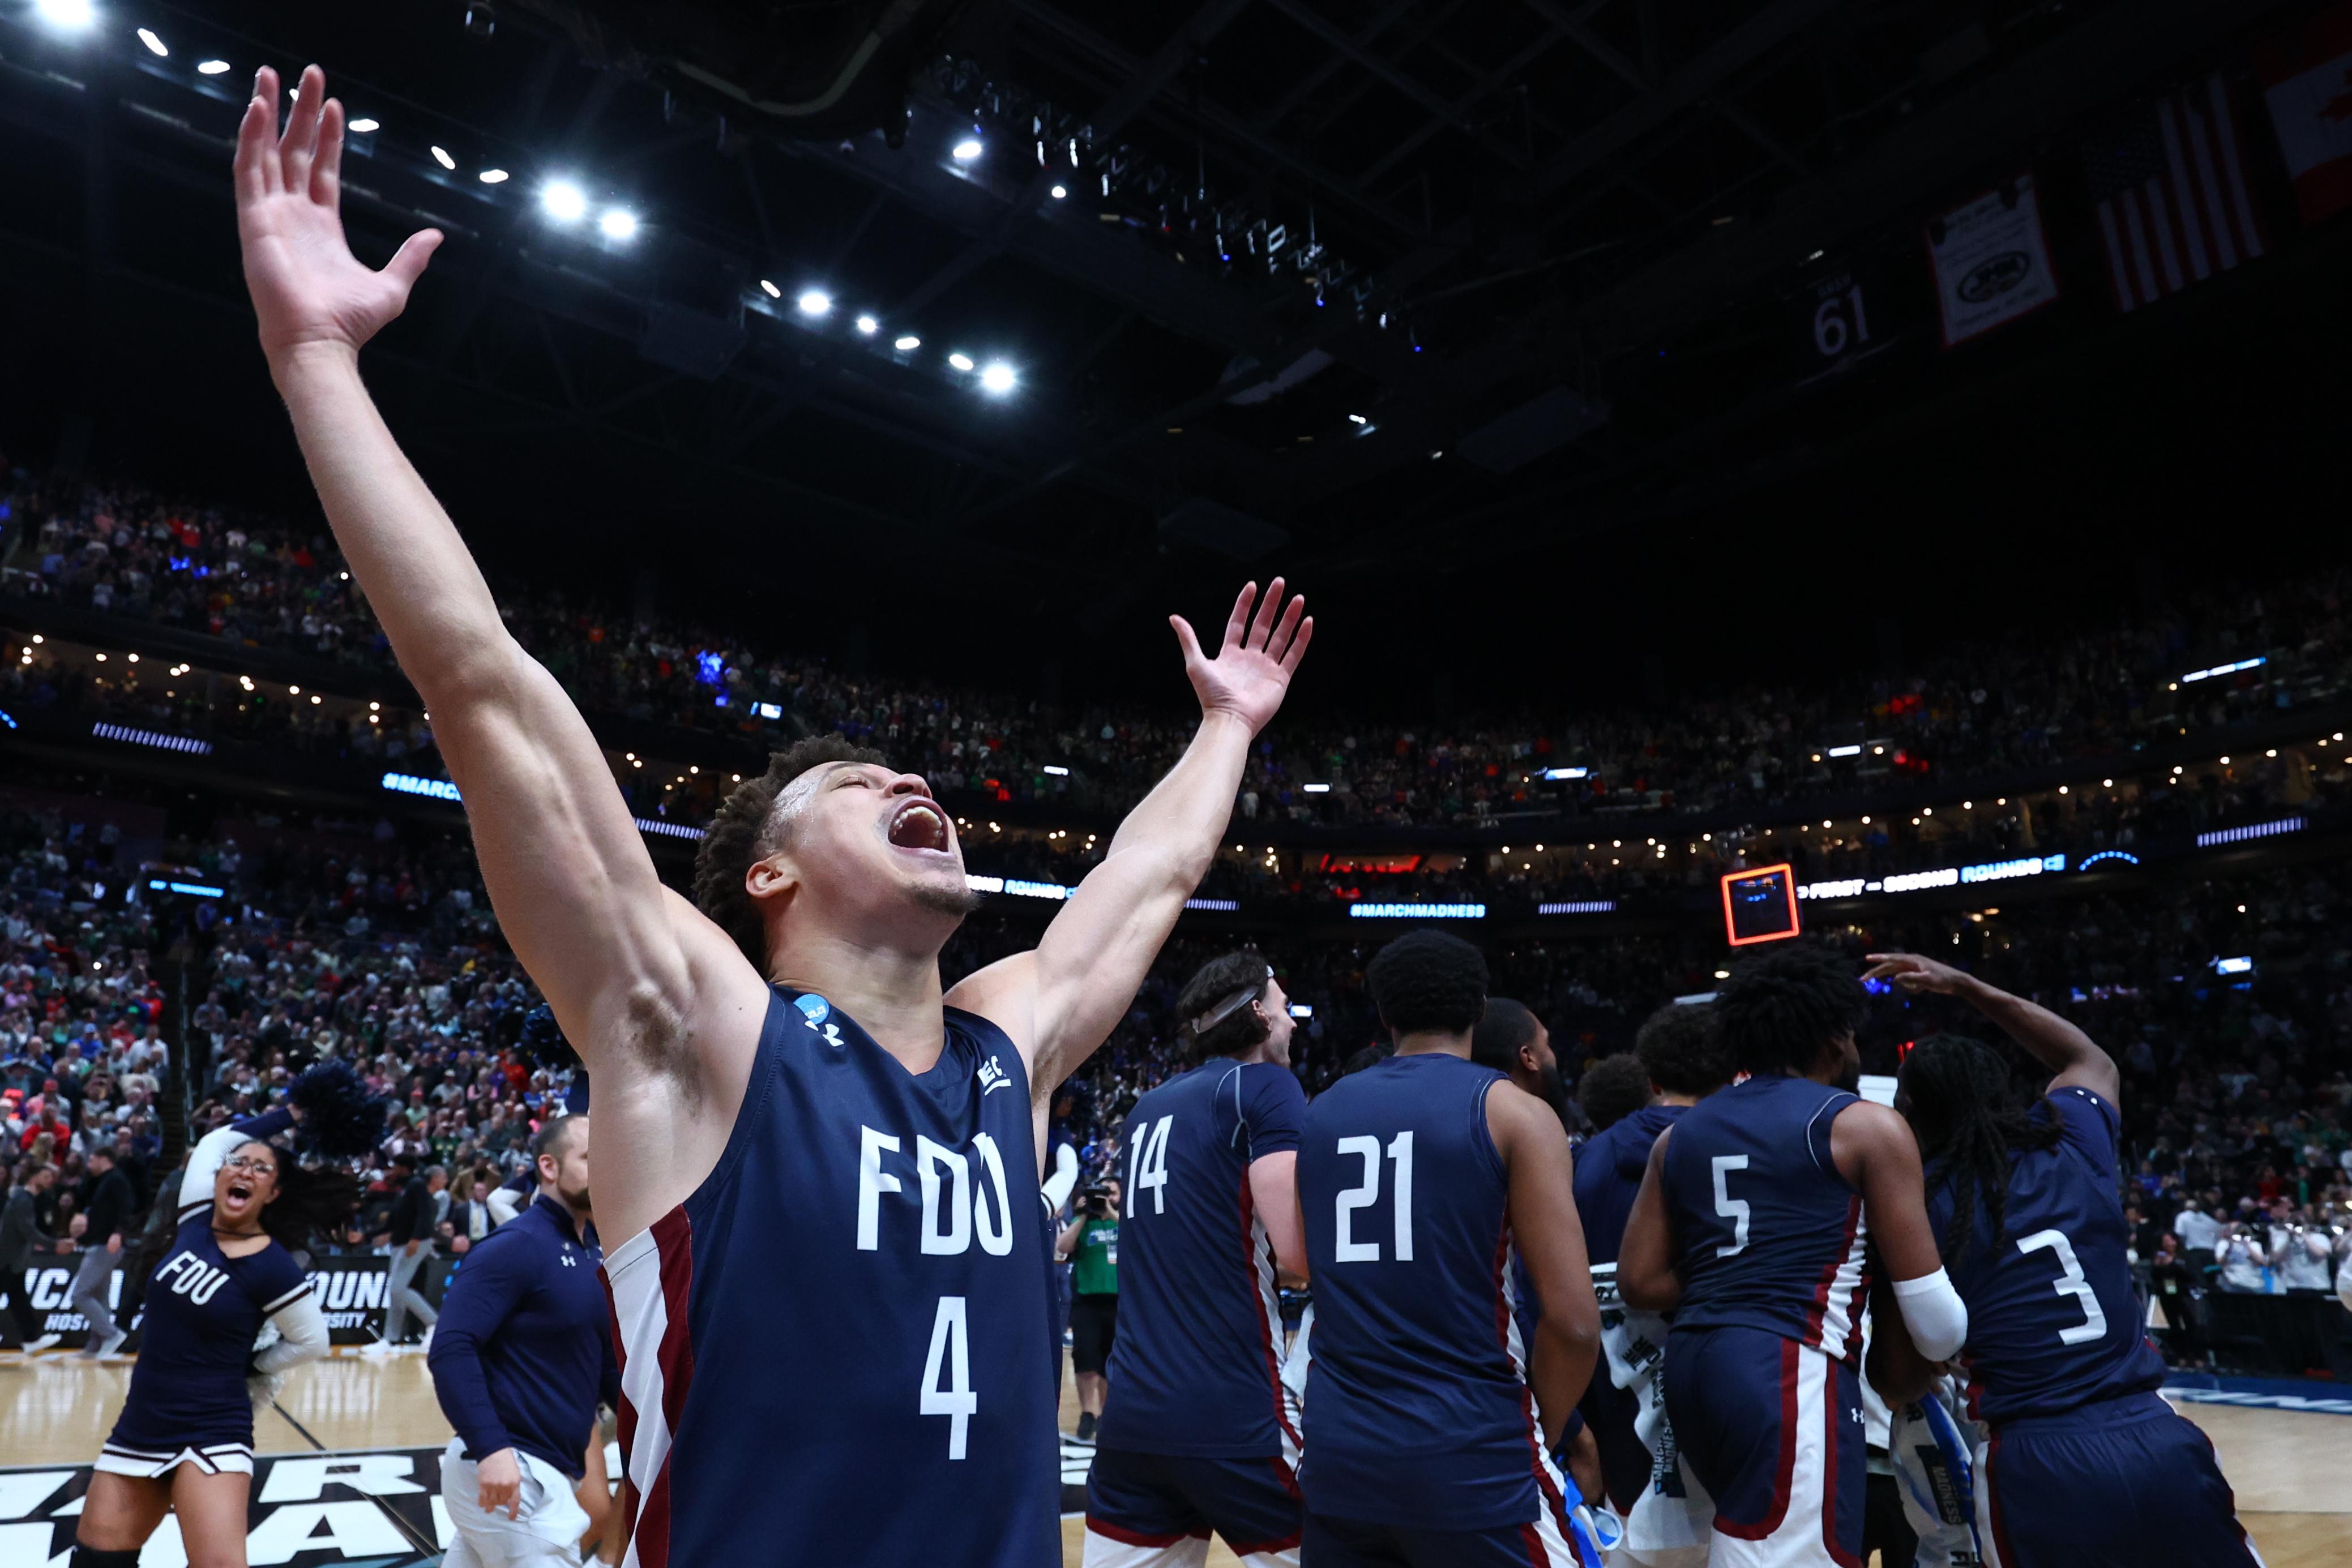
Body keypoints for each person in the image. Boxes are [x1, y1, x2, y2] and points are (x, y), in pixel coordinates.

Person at [232, 65, 1311, 1567]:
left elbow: (1155, 868)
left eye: (910, 778)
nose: (910, 784)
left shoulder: (1010, 1046)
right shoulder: (701, 1033)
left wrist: (1226, 727)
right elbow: (483, 686)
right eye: (857, 787)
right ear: (768, 875)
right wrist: (314, 361)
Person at [1862, 951, 2261, 1568]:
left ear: (1908, 1115)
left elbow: (1900, 1380)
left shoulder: (1916, 1209)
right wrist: (1968, 988)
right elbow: (2089, 1059)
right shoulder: (2073, 1139)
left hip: (2036, 1460)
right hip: (2157, 1437)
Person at [1618, 942, 1961, 1568]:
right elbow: (1938, 1328)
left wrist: (1738, 1274)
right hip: (1784, 1366)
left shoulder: (1677, 1135)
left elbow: (1638, 1280)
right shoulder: (1863, 1126)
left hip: (1692, 1366)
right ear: (1834, 1038)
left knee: (1741, 1542)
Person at [1296, 931, 1603, 1565]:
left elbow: (1302, 1267)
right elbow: (1574, 1323)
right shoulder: (1515, 1113)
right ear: (1480, 1009)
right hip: (1472, 1454)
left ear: (1384, 1016)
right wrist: (1543, 1426)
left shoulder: (1321, 1113)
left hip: (1338, 1455)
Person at [1084, 953, 1310, 1567]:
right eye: (1285, 1007)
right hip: (1232, 1412)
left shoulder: (1145, 1110)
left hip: (1132, 1420)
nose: (1293, 1021)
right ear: (1259, 1013)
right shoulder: (1264, 1087)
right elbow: (1297, 1255)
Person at [71, 1112, 346, 1568]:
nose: (246, 1171)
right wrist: (295, 1113)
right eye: (239, 1163)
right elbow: (217, 1140)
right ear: (218, 1176)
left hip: (212, 1430)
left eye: (262, 1169)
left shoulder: (274, 1267)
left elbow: (312, 1341)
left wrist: (254, 1366)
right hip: (141, 1424)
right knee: (95, 1561)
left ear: (273, 1193)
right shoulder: (195, 1218)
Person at [1566, 1001, 1733, 1566]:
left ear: (1652, 1079)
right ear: (1733, 1073)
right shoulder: (1741, 1151)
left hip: (1619, 1427)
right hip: (1728, 1411)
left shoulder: (1585, 1161)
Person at [429, 1115, 620, 1568]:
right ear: (549, 1167)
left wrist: (662, 1428)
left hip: (548, 1471)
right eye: (590, 1157)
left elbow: (607, 1367)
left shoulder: (593, 1253)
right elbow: (452, 1347)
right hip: (512, 1465)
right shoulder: (516, 1245)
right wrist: (491, 1448)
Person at [1063, 1176, 1123, 1443]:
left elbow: (1140, 1241)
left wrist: (1110, 1212)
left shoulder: (1122, 1221)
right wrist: (1084, 1216)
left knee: (1112, 1363)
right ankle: (1089, 1413)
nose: (1105, 1197)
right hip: (1087, 1302)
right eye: (1101, 1192)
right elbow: (1062, 1247)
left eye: (1111, 1192)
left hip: (1119, 1302)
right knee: (1086, 1361)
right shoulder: (1083, 1222)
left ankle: (1107, 1416)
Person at [73, 1144, 137, 1358]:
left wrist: (119, 1233)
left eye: (92, 1160)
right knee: (99, 1296)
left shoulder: (117, 1180)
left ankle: (111, 1335)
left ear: (103, 1158)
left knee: (80, 1294)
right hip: (99, 1242)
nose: (89, 1165)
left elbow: (127, 1208)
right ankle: (95, 1346)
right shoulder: (102, 1181)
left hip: (107, 1244)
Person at [374, 1156, 443, 1349]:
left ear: (405, 1168)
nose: (392, 1170)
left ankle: (434, 1322)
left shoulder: (416, 1185)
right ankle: (391, 1338)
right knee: (396, 1292)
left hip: (413, 1243)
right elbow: (394, 1221)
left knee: (397, 1288)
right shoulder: (403, 1189)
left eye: (395, 1167)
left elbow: (424, 1216)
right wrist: (366, 1236)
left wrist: (416, 1238)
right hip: (399, 1244)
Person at [2, 1163, 67, 1351]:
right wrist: (55, 1245)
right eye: (46, 1176)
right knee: (18, 1299)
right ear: (34, 1177)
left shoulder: (24, 1198)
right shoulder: (23, 1199)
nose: (50, 1181)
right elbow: (28, 1231)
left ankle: (31, 1339)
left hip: (13, 1261)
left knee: (19, 1300)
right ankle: (31, 1339)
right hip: (7, 1261)